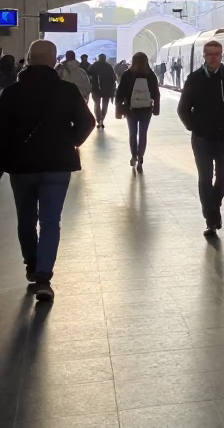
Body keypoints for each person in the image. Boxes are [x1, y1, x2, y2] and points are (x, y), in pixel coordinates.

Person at [0, 39, 95, 301]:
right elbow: (88, 122)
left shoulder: (10, 93)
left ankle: (31, 265)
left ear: (28, 59)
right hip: (57, 166)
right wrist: (70, 142)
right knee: (51, 221)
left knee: (26, 220)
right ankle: (44, 275)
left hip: (22, 167)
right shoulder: (67, 90)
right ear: (54, 61)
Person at [177, 40, 224, 236]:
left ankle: (213, 207)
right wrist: (194, 126)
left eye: (217, 54)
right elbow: (183, 109)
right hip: (202, 137)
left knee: (223, 176)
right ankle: (211, 220)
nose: (213, 58)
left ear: (221, 55)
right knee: (205, 177)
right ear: (204, 56)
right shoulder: (194, 79)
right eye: (210, 54)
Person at [115, 52, 160, 173]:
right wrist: (156, 108)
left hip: (131, 109)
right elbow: (156, 93)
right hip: (146, 109)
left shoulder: (127, 74)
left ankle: (134, 156)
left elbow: (120, 93)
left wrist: (118, 109)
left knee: (133, 133)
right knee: (143, 133)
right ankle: (141, 156)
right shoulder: (150, 74)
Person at [89, 53, 116, 128]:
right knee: (105, 105)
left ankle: (98, 118)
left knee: (97, 105)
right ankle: (102, 119)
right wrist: (112, 90)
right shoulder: (109, 66)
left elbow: (89, 73)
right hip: (107, 90)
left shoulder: (94, 66)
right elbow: (113, 79)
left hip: (96, 88)